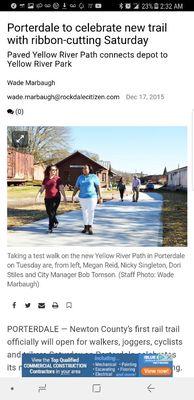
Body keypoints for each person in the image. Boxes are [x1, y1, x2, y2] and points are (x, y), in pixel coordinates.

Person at [72, 165, 103, 235]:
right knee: (84, 212)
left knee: (91, 211)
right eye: (83, 168)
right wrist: (73, 195)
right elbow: (76, 187)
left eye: (86, 168)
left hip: (92, 197)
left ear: (89, 169)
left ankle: (90, 226)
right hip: (82, 197)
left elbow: (98, 187)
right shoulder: (80, 177)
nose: (84, 169)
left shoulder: (94, 176)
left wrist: (100, 197)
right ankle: (85, 226)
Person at [36, 165, 67, 233]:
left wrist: (64, 197)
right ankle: (55, 221)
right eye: (52, 170)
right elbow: (42, 188)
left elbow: (61, 188)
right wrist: (38, 196)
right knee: (49, 212)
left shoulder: (58, 179)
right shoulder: (46, 179)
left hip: (56, 198)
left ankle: (50, 227)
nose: (54, 171)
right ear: (49, 171)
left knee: (52, 212)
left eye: (55, 170)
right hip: (47, 198)